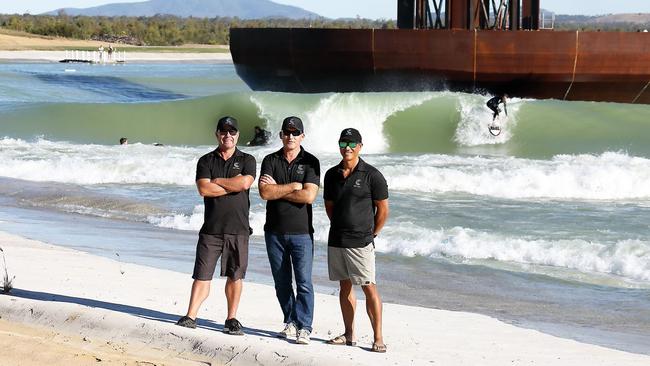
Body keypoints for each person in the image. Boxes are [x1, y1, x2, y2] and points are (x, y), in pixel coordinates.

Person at [176, 116, 256, 336]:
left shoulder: (248, 159)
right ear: (217, 134)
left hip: (238, 228)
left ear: (238, 135)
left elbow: (245, 183)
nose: (227, 135)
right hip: (211, 229)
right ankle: (191, 315)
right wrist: (232, 184)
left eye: (232, 132)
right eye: (223, 131)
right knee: (201, 275)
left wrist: (218, 181)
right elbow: (204, 189)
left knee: (235, 276)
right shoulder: (206, 160)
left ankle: (231, 319)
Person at [323, 128, 389, 353]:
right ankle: (349, 334)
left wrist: (372, 234)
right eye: (343, 143)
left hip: (361, 242)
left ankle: (378, 337)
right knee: (344, 287)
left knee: (369, 287)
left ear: (360, 146)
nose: (347, 148)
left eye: (352, 144)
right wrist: (341, 226)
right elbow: (329, 207)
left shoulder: (372, 175)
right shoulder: (331, 174)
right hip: (337, 240)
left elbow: (383, 210)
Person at [258, 116, 320, 345]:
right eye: (287, 132)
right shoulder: (270, 160)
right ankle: (290, 322)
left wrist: (278, 189)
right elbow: (265, 193)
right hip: (273, 232)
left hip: (302, 233)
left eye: (295, 133)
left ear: (302, 136)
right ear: (281, 135)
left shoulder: (311, 161)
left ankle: (305, 326)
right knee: (282, 282)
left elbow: (309, 196)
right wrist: (294, 186)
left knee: (304, 282)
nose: (290, 136)